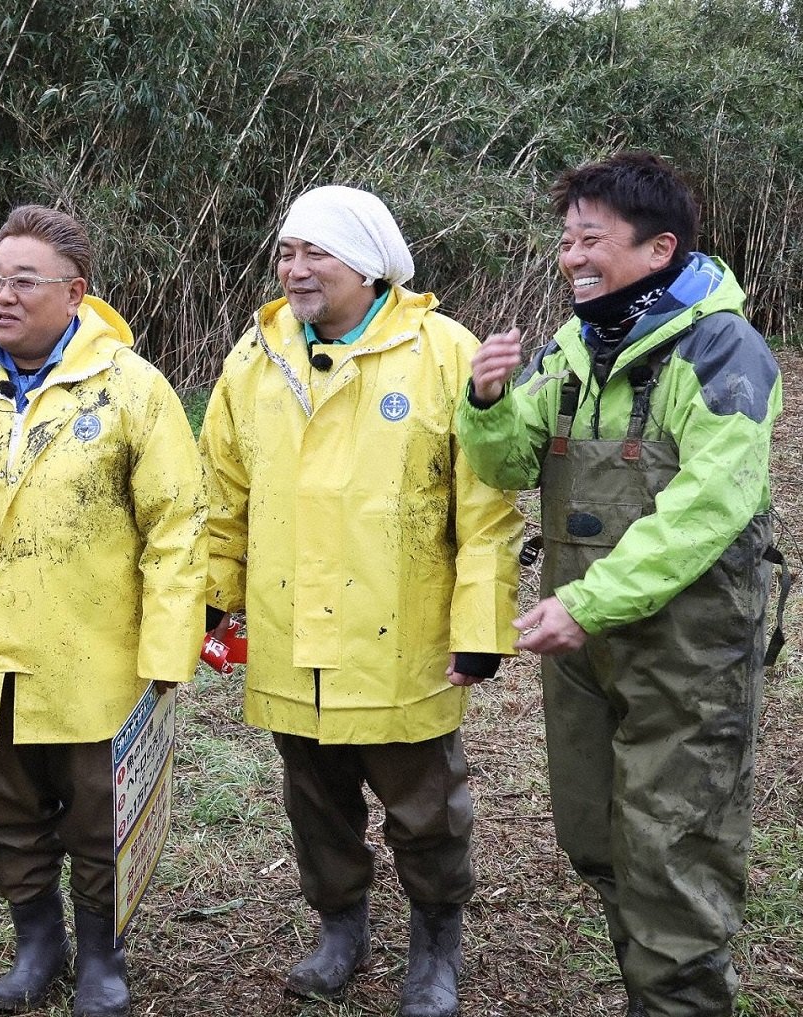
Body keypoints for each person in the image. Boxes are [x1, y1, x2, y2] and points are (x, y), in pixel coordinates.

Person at [458, 153, 784, 1017]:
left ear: (659, 246)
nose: (571, 256)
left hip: (689, 646)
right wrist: (486, 402)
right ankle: (652, 985)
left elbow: (709, 507)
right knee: (596, 831)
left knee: (673, 845)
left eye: (591, 239)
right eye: (566, 240)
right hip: (584, 641)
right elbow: (511, 462)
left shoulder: (723, 348)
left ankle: (680, 998)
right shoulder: (576, 345)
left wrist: (588, 602)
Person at [198, 186, 523, 1017]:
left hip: (399, 636)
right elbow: (221, 495)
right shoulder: (256, 358)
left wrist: (480, 625)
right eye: (286, 252)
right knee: (315, 800)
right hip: (287, 631)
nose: (296, 269)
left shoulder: (442, 352)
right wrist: (210, 599)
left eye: (317, 253)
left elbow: (485, 509)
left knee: (426, 810)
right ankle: (341, 926)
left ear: (370, 266)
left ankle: (434, 944)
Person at [0, 204, 207, 1017]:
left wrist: (171, 645)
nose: (3, 295)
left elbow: (178, 522)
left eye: (25, 280)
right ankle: (37, 942)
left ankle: (101, 950)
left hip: (102, 656)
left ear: (75, 292)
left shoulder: (132, 387)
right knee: (9, 810)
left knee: (99, 815)